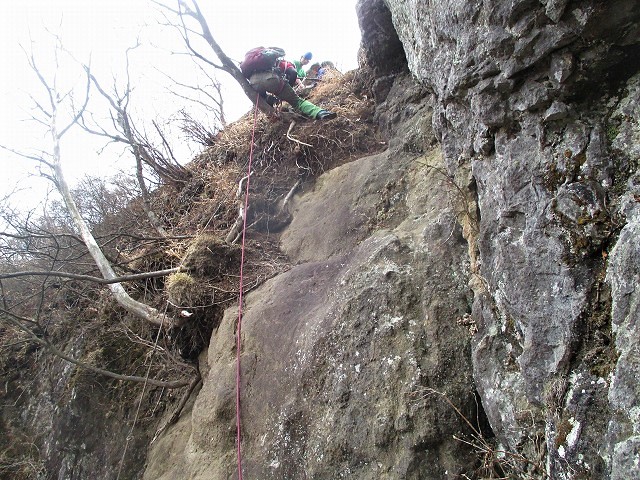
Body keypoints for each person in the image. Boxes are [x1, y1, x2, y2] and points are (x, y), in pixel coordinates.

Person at [246, 47, 336, 121]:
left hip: (254, 82)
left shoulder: (255, 62)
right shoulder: (284, 62)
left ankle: (271, 101)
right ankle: (320, 113)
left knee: (264, 96)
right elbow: (293, 73)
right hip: (271, 80)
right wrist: (289, 87)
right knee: (297, 101)